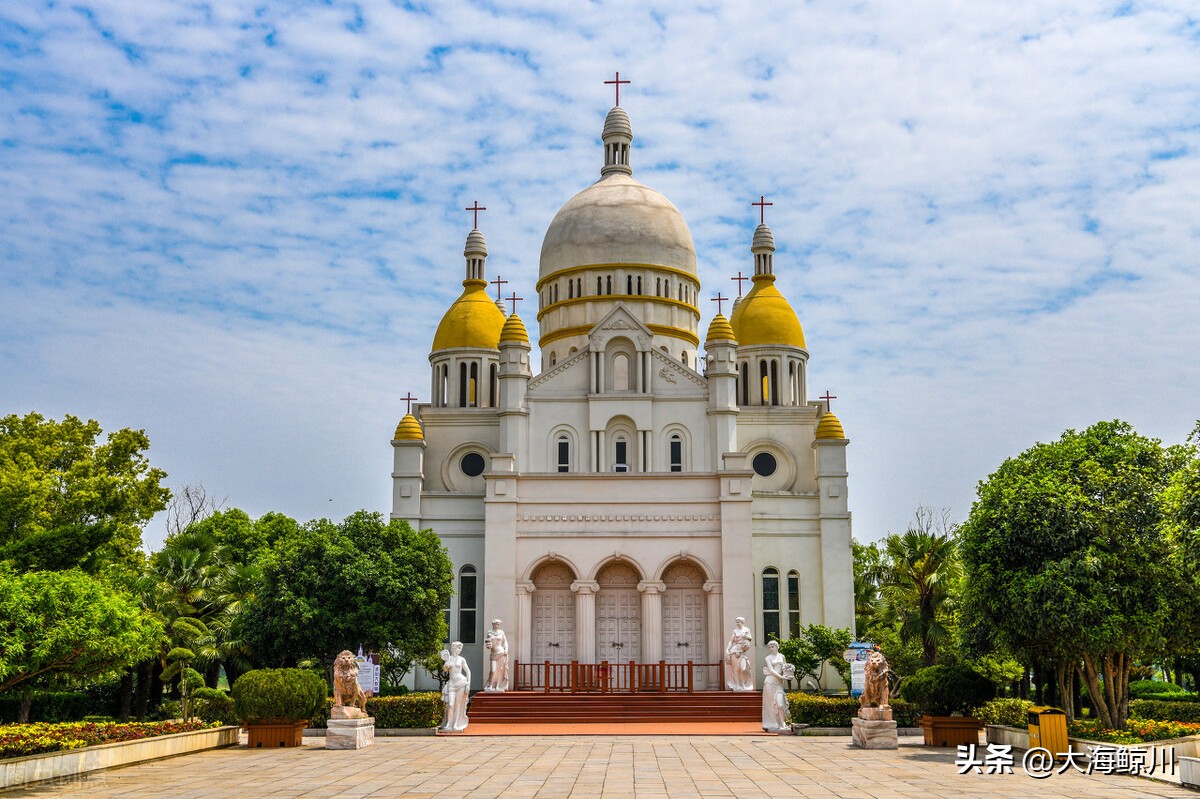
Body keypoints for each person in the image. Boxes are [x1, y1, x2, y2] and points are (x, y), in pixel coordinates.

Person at [761, 640, 794, 732]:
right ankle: (774, 723)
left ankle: (782, 723)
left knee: (780, 704)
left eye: (773, 646)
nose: (771, 648)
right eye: (770, 647)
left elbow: (784, 667)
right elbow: (771, 670)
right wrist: (782, 677)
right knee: (771, 704)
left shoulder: (782, 656)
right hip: (770, 682)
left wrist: (790, 672)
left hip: (779, 684)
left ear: (777, 646)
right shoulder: (768, 658)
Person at [440, 641, 471, 732]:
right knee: (450, 704)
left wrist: (468, 683)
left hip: (461, 683)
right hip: (452, 684)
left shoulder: (461, 659)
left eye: (460, 648)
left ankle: (455, 725)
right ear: (453, 648)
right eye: (458, 648)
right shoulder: (449, 659)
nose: (460, 650)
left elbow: (468, 671)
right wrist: (446, 665)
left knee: (458, 705)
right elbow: (445, 670)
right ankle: (448, 723)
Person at [724, 617, 755, 691]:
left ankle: (744, 684)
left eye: (738, 622)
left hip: (743, 650)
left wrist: (745, 636)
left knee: (743, 669)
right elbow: (731, 641)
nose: (737, 623)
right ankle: (737, 685)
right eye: (736, 621)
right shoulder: (735, 631)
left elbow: (750, 638)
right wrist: (727, 649)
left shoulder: (746, 630)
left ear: (742, 622)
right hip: (734, 650)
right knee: (735, 670)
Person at [484, 619, 509, 692]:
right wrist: (488, 645)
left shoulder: (501, 632)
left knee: (500, 670)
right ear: (493, 624)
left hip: (502, 653)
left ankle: (498, 686)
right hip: (494, 654)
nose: (499, 625)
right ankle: (490, 685)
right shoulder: (489, 633)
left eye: (499, 624)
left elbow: (505, 642)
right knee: (493, 670)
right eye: (497, 624)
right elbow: (488, 643)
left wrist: (506, 649)